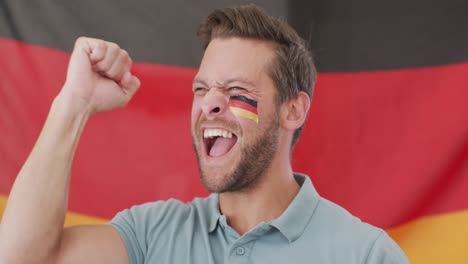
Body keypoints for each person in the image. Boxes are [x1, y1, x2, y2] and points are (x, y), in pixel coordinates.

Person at [0, 4, 409, 264]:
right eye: (201, 89)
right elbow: (20, 258)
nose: (209, 105)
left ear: (293, 109)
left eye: (236, 92)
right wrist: (74, 104)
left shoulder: (368, 255)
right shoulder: (151, 234)